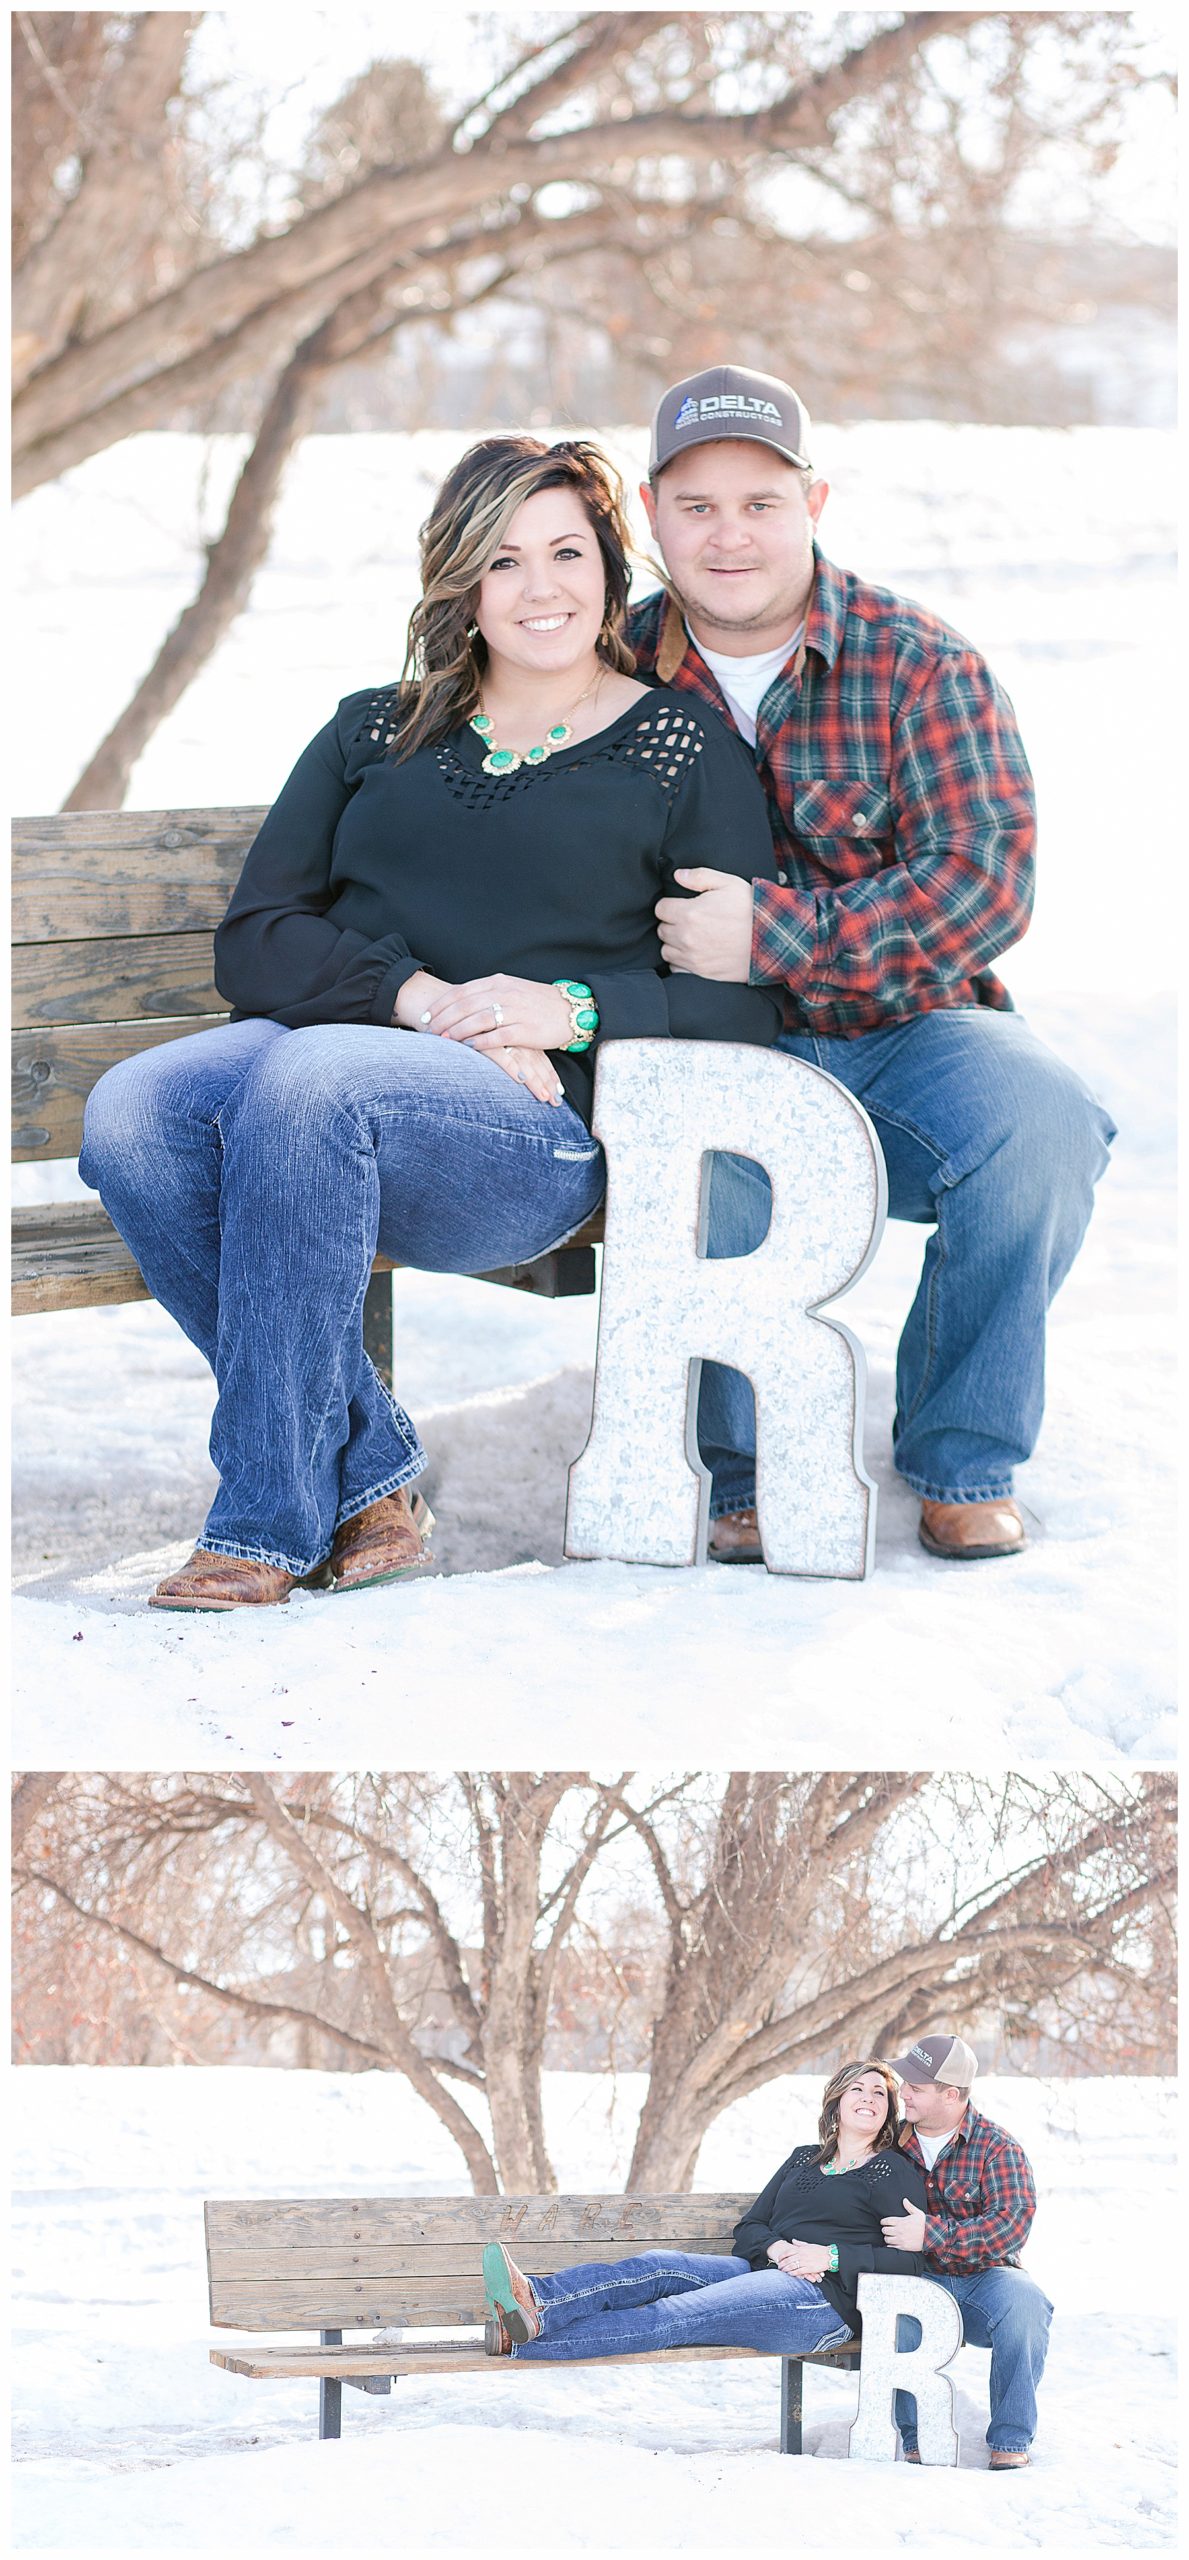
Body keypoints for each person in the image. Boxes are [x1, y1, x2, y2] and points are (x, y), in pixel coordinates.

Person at [79, 435, 782, 1610]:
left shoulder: (679, 749)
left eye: (566, 551)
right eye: (503, 561)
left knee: (318, 1083)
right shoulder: (373, 729)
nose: (541, 586)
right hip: (344, 1057)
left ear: (611, 569)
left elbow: (738, 1004)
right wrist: (420, 1002)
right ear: (461, 582)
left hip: (531, 1133)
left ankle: (264, 1516)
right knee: (135, 1111)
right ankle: (371, 1468)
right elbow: (256, 938)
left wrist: (556, 1006)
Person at [629, 363, 1116, 1563]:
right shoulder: (608, 669)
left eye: (760, 501)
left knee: (1041, 1122)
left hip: (906, 1024)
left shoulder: (918, 664)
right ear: (651, 515)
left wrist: (774, 936)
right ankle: (742, 1468)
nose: (728, 534)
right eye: (696, 506)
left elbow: (983, 882)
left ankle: (962, 1454)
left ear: (815, 502)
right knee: (720, 1135)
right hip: (706, 1034)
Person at [481, 2059, 927, 2370]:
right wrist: (776, 2245)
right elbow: (750, 2227)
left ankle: (524, 2341)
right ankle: (538, 2302)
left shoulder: (893, 2171)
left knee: (675, 2313)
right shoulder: (803, 2158)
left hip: (820, 2304)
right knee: (655, 2266)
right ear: (837, 2100)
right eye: (858, 2088)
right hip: (757, 2268)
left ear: (888, 2111)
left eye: (879, 2093)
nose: (868, 2098)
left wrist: (828, 2257)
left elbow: (910, 2262)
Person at [880, 2031, 1052, 2470]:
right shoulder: (890, 2145)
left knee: (1026, 2303)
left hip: (983, 2280)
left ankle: (1010, 2441)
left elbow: (1009, 2227)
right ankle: (917, 2439)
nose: (905, 2094)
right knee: (900, 2307)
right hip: (915, 2278)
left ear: (951, 2095)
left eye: (916, 2088)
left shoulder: (997, 2147)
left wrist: (931, 2234)